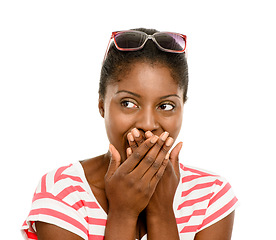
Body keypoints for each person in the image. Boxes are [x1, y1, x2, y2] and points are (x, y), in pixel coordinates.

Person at [21, 28, 238, 240]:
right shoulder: (62, 192)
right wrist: (123, 213)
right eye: (128, 103)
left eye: (166, 106)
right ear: (102, 105)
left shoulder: (211, 196)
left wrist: (161, 211)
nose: (147, 124)